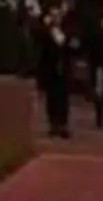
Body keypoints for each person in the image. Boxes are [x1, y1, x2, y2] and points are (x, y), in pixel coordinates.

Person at [31, 8, 74, 139]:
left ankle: (63, 124)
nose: (56, 18)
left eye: (58, 15)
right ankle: (53, 124)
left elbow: (71, 47)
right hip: (51, 69)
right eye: (53, 15)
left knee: (63, 97)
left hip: (64, 69)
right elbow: (40, 44)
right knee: (52, 97)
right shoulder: (46, 32)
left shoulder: (67, 31)